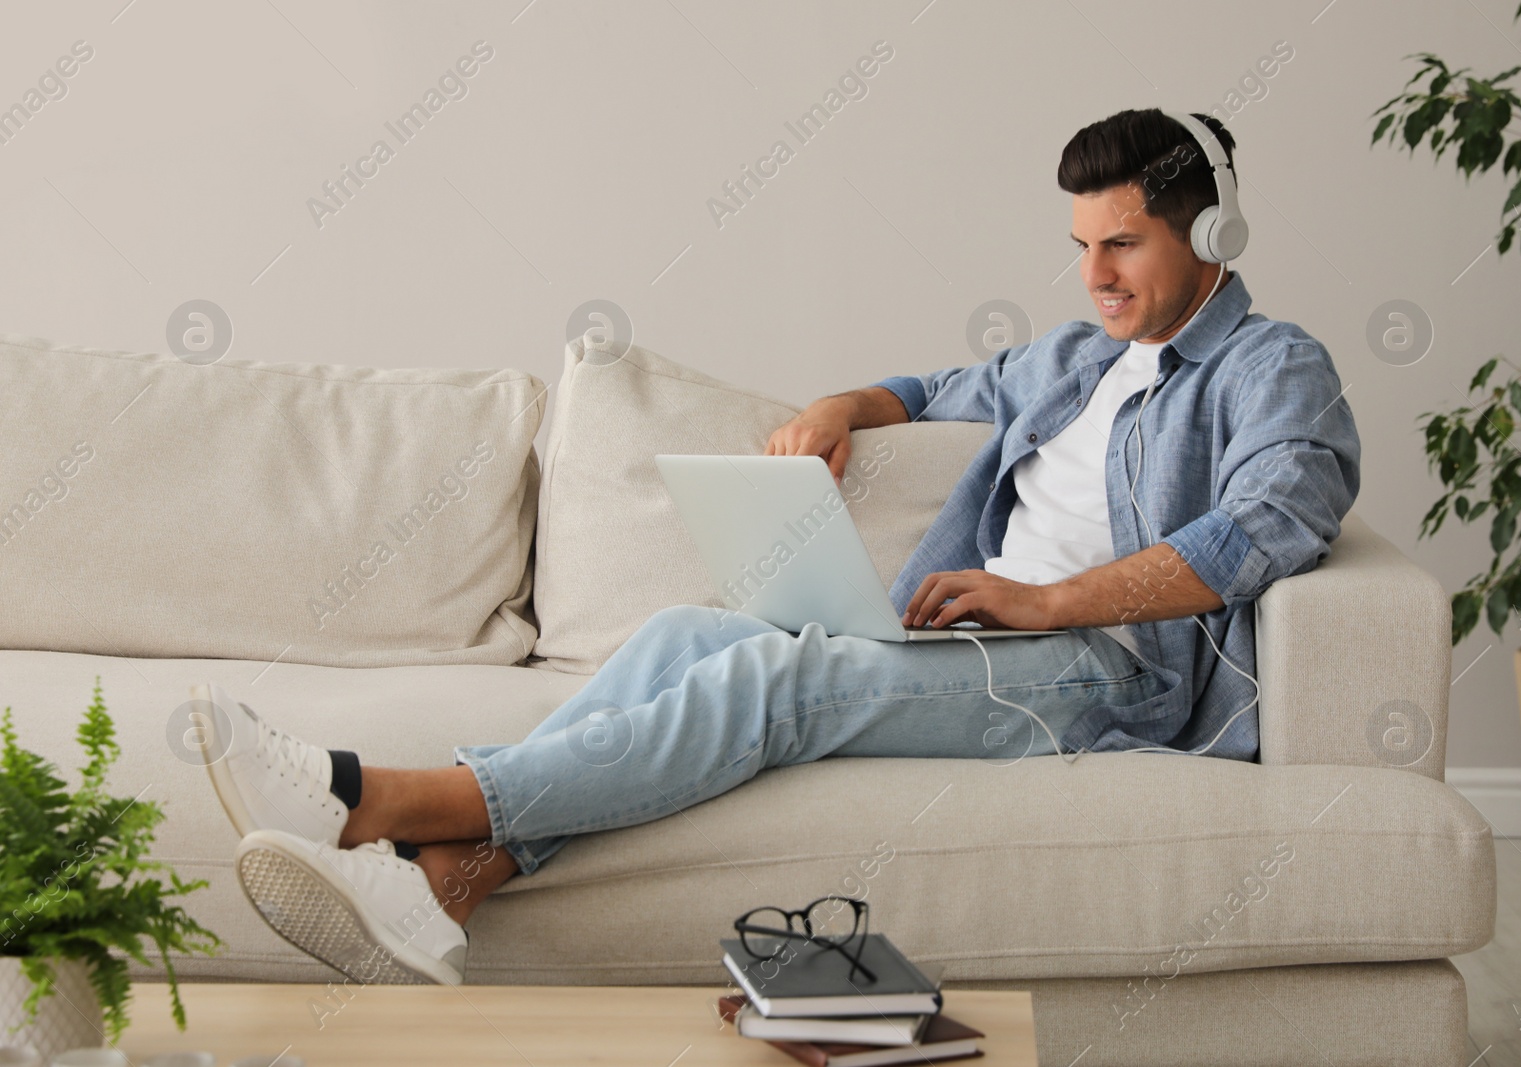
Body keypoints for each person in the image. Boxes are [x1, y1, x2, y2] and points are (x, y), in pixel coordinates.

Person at [199, 108, 1360, 985]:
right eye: (1080, 247)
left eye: (1124, 245)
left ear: (1210, 232)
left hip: (1112, 664)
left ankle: (369, 800)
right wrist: (841, 410)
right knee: (680, 633)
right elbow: (930, 385)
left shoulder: (1275, 369)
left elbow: (1264, 524)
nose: (1096, 277)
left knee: (778, 673)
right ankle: (443, 892)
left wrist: (1045, 599)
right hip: (983, 633)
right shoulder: (1072, 356)